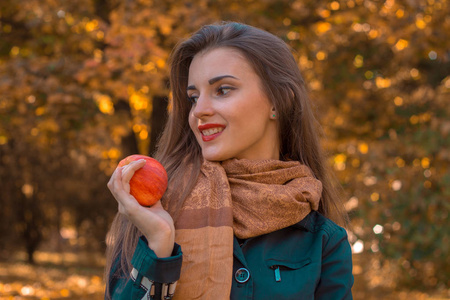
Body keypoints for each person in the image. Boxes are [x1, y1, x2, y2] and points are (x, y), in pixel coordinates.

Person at [105, 21, 354, 300]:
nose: (199, 110)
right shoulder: (152, 212)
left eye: (222, 90)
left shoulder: (324, 242)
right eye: (193, 97)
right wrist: (158, 246)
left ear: (279, 101)